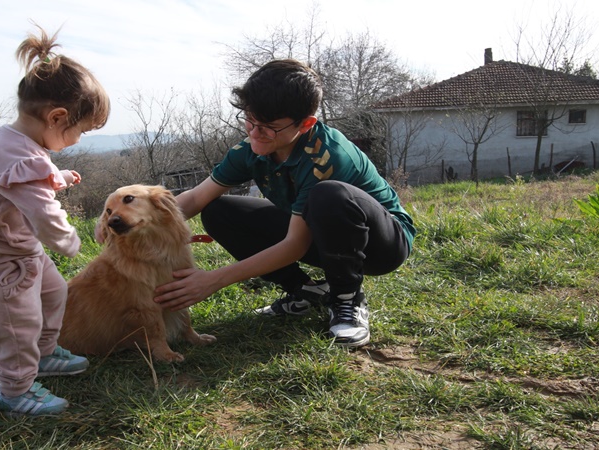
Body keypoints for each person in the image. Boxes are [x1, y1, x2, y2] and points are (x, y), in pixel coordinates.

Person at [154, 59, 415, 348]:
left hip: (380, 245)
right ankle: (305, 292)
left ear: (306, 124)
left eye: (268, 127)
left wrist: (212, 280)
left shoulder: (327, 157)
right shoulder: (251, 148)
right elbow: (195, 197)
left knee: (328, 195)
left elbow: (294, 245)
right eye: (250, 120)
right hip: (320, 234)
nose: (254, 133)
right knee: (217, 210)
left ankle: (346, 300)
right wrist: (137, 226)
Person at [0, 25, 110, 416]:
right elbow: (43, 213)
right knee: (15, 324)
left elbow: (27, 181)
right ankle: (16, 390)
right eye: (80, 131)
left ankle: (45, 351)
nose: (79, 140)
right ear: (56, 117)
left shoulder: (19, 143)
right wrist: (70, 241)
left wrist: (60, 177)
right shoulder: (22, 157)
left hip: (15, 247)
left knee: (53, 293)